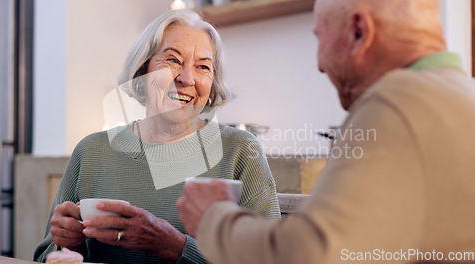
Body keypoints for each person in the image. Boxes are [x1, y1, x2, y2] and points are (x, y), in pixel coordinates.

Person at [177, 0, 475, 263]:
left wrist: (212, 219)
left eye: (320, 38)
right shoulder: (459, 95)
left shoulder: (396, 104)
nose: (319, 64)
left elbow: (311, 254)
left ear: (358, 32)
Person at [33, 9, 280, 264]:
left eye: (203, 67)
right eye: (172, 60)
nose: (187, 78)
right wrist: (66, 244)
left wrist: (177, 247)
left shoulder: (239, 151)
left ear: (213, 84)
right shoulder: (91, 151)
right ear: (143, 73)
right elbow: (43, 257)